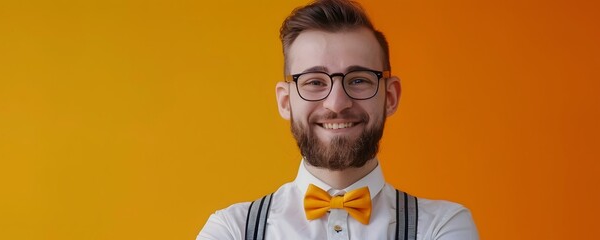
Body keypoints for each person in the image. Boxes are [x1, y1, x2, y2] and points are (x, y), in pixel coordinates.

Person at [198, 0, 479, 239]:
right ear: (285, 101)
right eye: (315, 82)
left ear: (390, 96)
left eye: (358, 80)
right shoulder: (231, 229)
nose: (337, 103)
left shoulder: (442, 226)